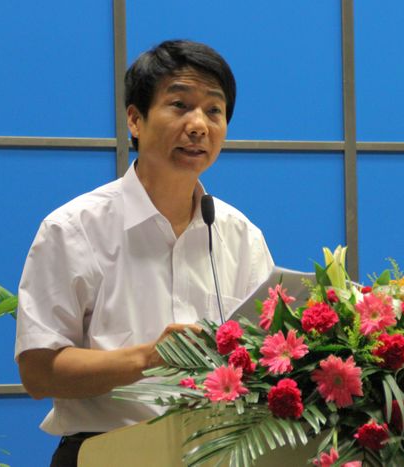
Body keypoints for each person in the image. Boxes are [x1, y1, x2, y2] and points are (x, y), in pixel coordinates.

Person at [15, 39, 274, 466]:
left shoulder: (242, 236)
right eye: (180, 105)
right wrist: (148, 358)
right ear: (135, 119)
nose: (198, 125)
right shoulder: (74, 228)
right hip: (106, 453)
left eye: (214, 110)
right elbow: (38, 371)